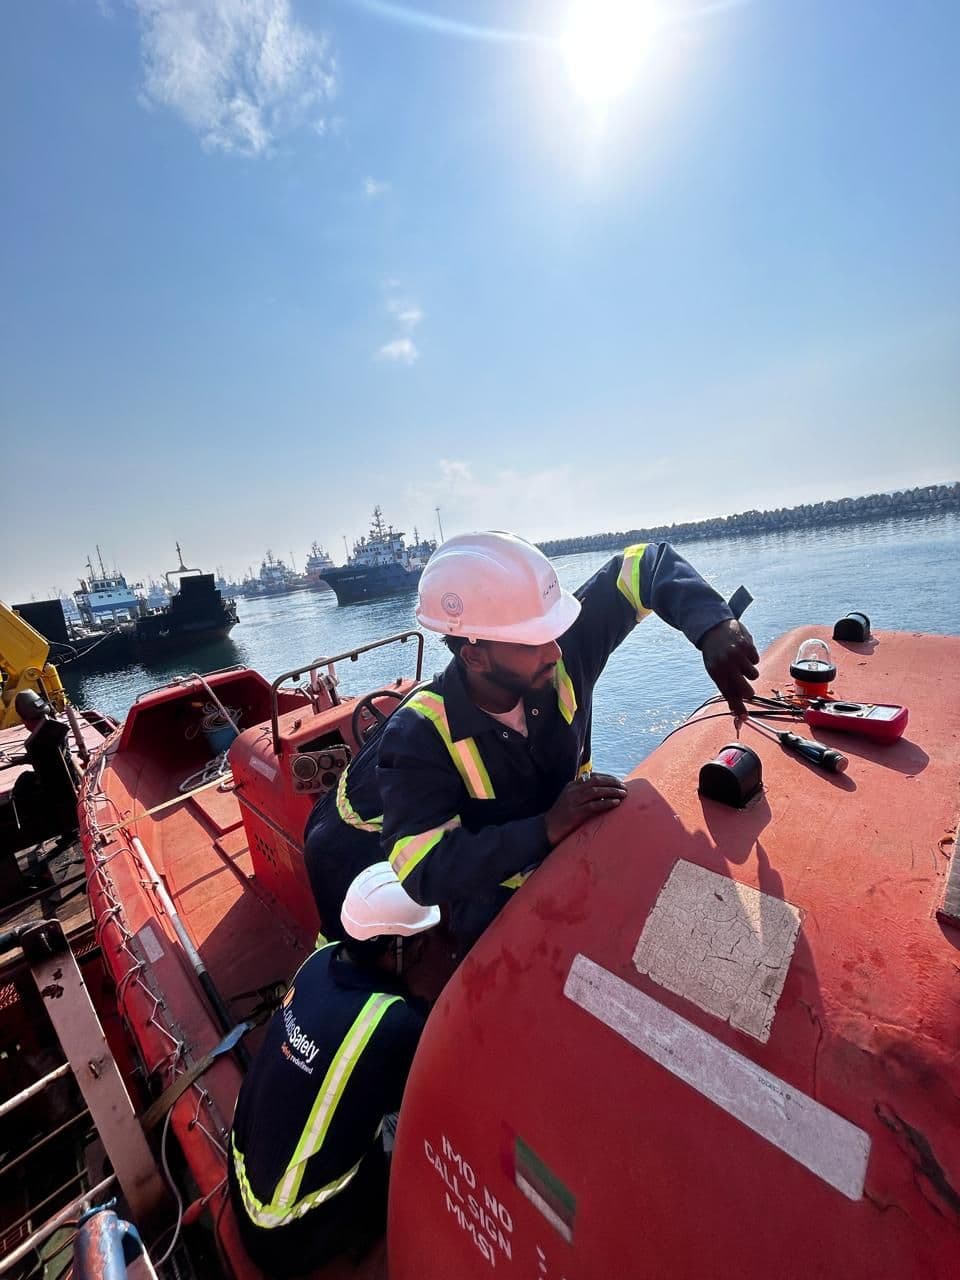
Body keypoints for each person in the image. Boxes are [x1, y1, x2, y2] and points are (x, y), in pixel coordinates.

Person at [305, 533, 758, 948]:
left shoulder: (559, 651)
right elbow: (425, 869)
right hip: (349, 851)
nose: (557, 652)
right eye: (533, 641)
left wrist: (711, 625)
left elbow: (642, 566)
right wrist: (544, 829)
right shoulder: (419, 736)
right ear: (475, 656)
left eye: (552, 632)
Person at [229, 863, 439, 1277]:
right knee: (411, 1145)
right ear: (393, 948)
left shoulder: (320, 960)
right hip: (286, 1234)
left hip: (240, 1175)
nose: (423, 950)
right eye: (418, 942)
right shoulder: (392, 1022)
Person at [0, 691, 79, 855]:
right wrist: (25, 758)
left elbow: (47, 760)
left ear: (25, 720)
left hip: (59, 794)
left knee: (24, 785)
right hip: (67, 783)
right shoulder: (54, 729)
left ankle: (25, 832)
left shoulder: (42, 741)